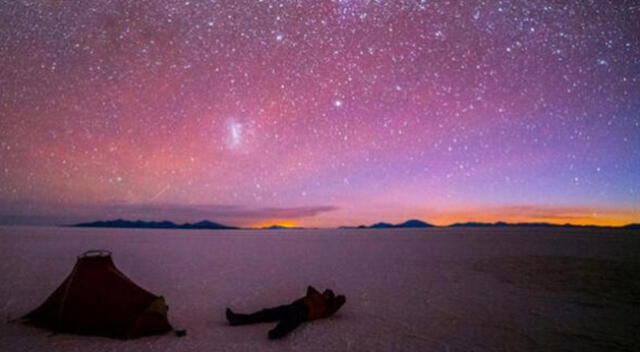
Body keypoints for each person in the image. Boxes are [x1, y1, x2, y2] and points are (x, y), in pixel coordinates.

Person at [225, 286, 346, 339]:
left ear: (330, 298)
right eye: (325, 293)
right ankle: (237, 319)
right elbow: (310, 288)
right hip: (293, 306)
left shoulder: (327, 307)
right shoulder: (315, 295)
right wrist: (318, 294)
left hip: (305, 312)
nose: (325, 295)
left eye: (328, 295)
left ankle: (277, 333)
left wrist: (331, 300)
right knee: (267, 313)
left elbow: (341, 300)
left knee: (291, 321)